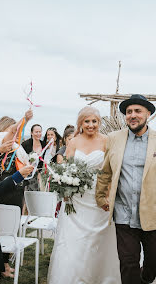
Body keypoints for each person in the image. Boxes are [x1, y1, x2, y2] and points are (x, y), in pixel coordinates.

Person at [96, 94, 156, 284]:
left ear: (148, 113)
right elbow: (105, 172)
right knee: (128, 263)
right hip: (123, 214)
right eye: (129, 112)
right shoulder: (114, 139)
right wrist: (100, 196)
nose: (133, 115)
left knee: (155, 259)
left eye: (137, 111)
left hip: (153, 215)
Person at [48, 106, 121, 284]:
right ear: (80, 123)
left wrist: (108, 196)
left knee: (98, 240)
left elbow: (110, 171)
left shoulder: (107, 141)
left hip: (99, 198)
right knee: (74, 240)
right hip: (76, 199)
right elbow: (66, 168)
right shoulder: (73, 141)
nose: (91, 125)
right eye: (87, 121)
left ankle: (101, 278)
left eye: (94, 121)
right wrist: (65, 187)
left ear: (99, 122)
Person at [0, 110, 33, 210]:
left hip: (17, 192)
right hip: (1, 191)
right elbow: (11, 133)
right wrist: (25, 120)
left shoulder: (18, 148)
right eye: (11, 129)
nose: (15, 132)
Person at [22, 124, 46, 191]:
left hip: (39, 174)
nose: (38, 134)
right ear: (31, 133)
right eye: (36, 132)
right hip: (27, 173)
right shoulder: (25, 144)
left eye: (40, 132)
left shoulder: (43, 144)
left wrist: (39, 172)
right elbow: (21, 158)